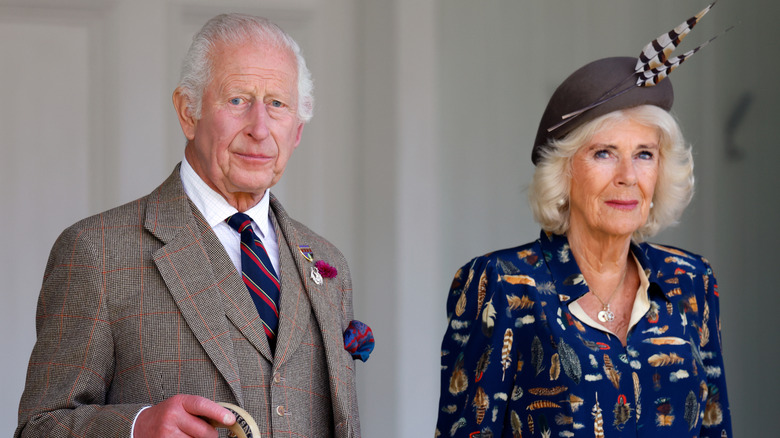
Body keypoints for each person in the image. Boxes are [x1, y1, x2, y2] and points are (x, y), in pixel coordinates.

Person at [16, 13, 371, 438]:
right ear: (189, 113)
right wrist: (134, 427)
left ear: (296, 130)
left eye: (277, 104)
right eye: (238, 99)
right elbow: (40, 427)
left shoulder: (329, 265)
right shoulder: (96, 252)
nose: (260, 128)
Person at [435, 11, 731, 438]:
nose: (628, 175)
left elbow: (716, 428)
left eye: (644, 154)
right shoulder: (500, 285)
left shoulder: (692, 282)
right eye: (604, 153)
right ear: (564, 171)